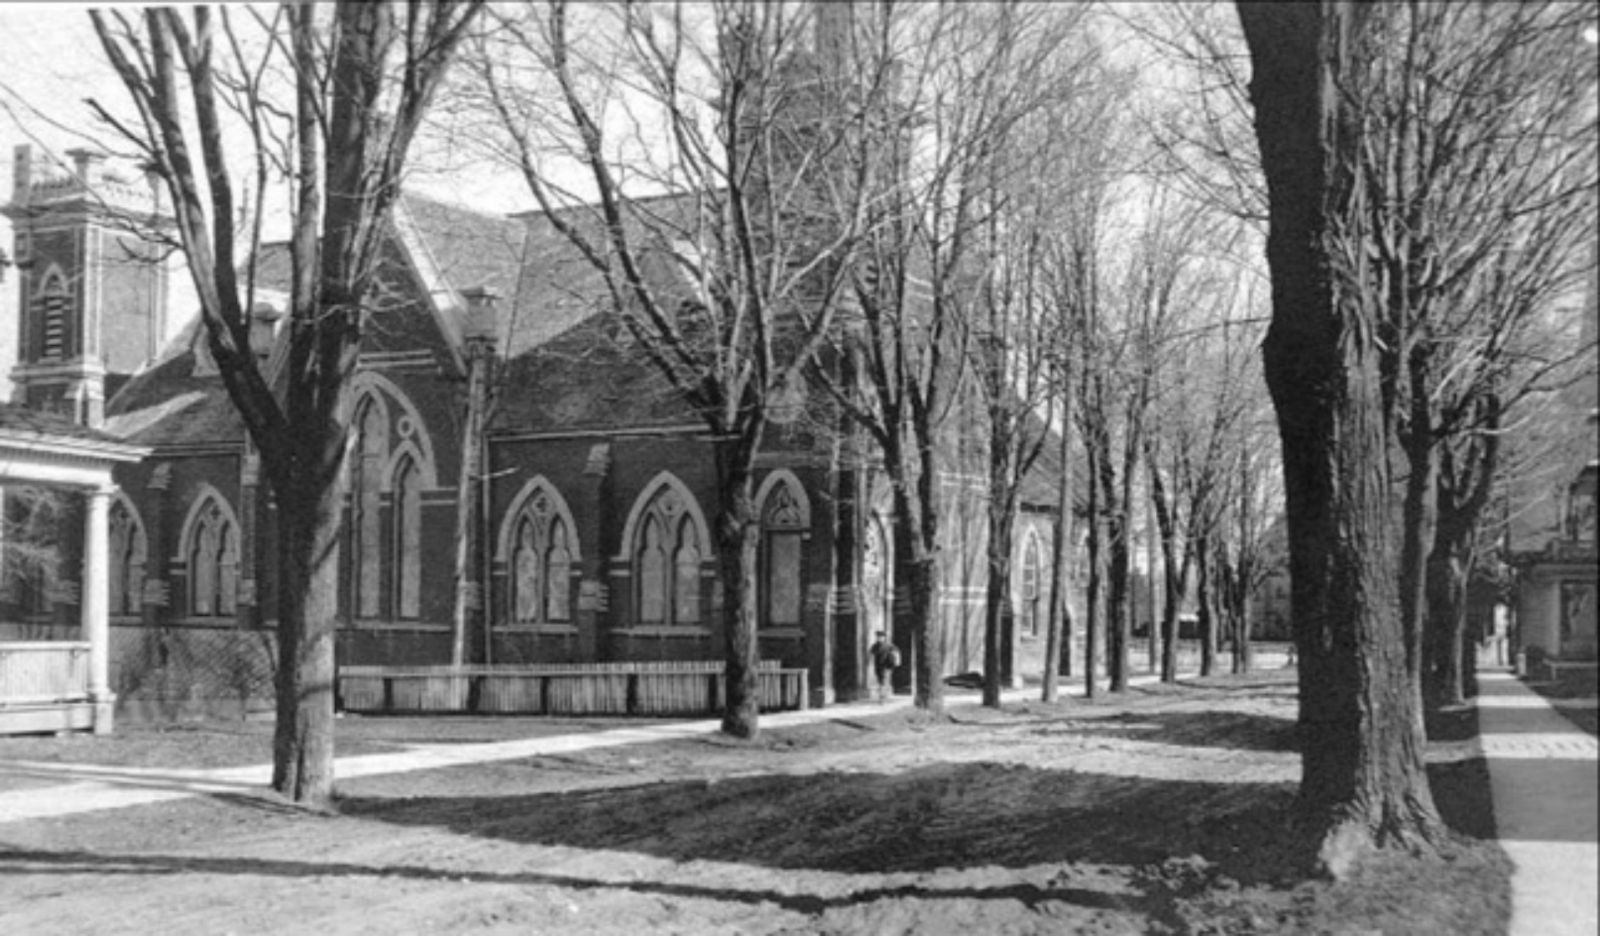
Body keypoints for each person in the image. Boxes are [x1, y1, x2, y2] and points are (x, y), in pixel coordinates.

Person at [869, 630, 900, 701]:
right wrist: (870, 664)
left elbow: (896, 651)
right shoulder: (875, 646)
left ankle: (882, 696)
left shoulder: (888, 645)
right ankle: (883, 695)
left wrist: (897, 661)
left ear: (884, 638)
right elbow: (871, 654)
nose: (879, 638)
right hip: (878, 666)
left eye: (881, 637)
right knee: (880, 680)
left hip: (887, 666)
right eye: (878, 637)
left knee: (884, 680)